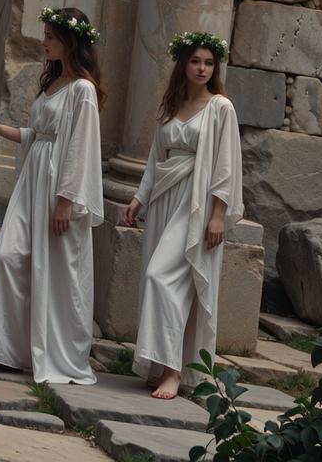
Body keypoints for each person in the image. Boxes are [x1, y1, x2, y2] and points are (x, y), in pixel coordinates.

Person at [0, 7, 104, 383]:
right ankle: (5, 351)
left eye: (49, 36)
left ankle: (58, 354)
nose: (44, 42)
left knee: (57, 273)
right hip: (33, 181)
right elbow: (39, 135)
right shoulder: (54, 82)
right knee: (7, 256)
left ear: (69, 40)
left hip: (59, 188)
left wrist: (65, 200)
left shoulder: (82, 89)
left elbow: (80, 147)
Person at [122, 31, 242, 400]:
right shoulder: (170, 106)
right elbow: (155, 159)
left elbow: (226, 165)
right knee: (164, 283)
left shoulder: (221, 107)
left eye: (209, 63)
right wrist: (139, 199)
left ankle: (174, 371)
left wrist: (218, 215)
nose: (203, 68)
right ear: (183, 64)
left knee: (161, 277)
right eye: (195, 61)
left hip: (196, 203)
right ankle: (159, 365)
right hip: (164, 199)